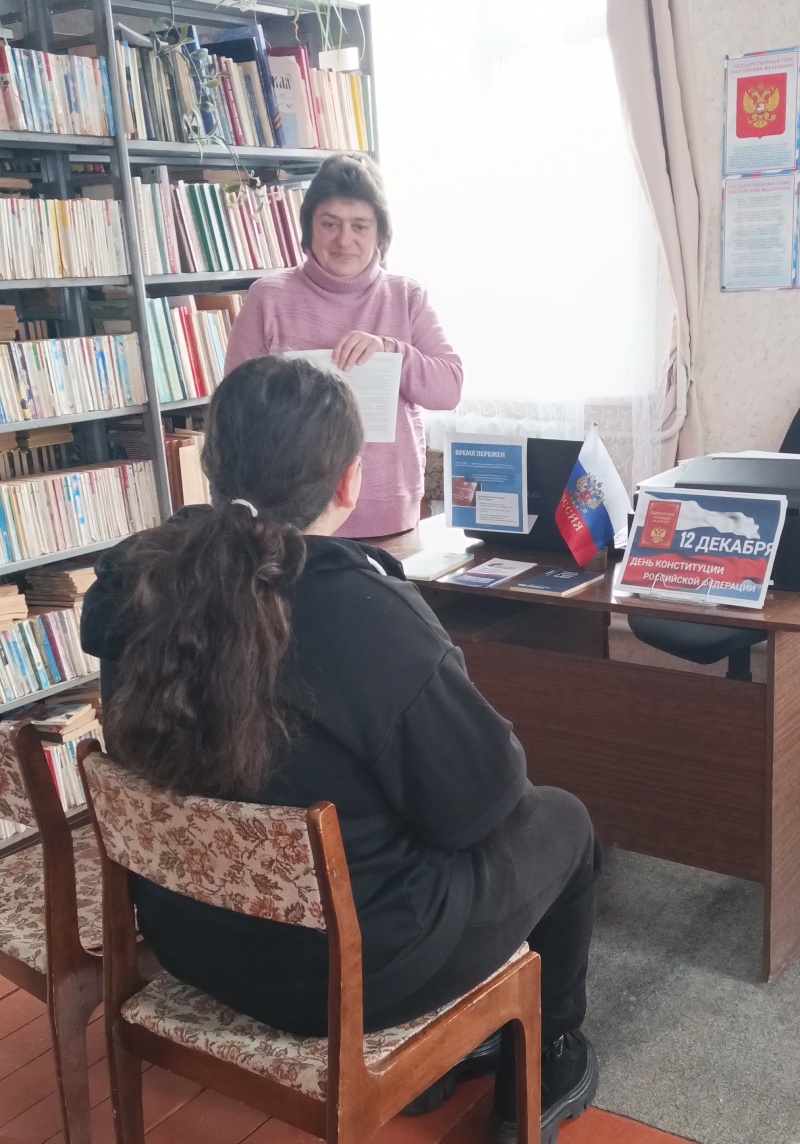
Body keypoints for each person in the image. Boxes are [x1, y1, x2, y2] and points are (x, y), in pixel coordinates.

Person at [80, 356, 601, 1144]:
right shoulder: (367, 611)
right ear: (350, 480)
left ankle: (458, 1044)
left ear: (210, 467)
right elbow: (482, 807)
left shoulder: (139, 584)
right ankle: (548, 1053)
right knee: (565, 821)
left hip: (192, 939)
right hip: (353, 977)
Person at [223, 154, 463, 540]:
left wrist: (392, 351)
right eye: (330, 224)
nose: (344, 240)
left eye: (360, 226)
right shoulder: (268, 297)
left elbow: (449, 389)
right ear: (309, 228)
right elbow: (235, 408)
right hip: (290, 520)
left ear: (380, 232)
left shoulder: (406, 296)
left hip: (388, 511)